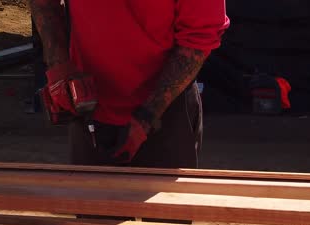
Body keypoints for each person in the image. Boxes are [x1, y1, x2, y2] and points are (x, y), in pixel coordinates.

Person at [29, 0, 229, 168]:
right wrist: (59, 63)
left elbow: (199, 37)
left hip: (167, 112)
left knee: (164, 211)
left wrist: (146, 117)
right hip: (88, 106)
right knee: (95, 211)